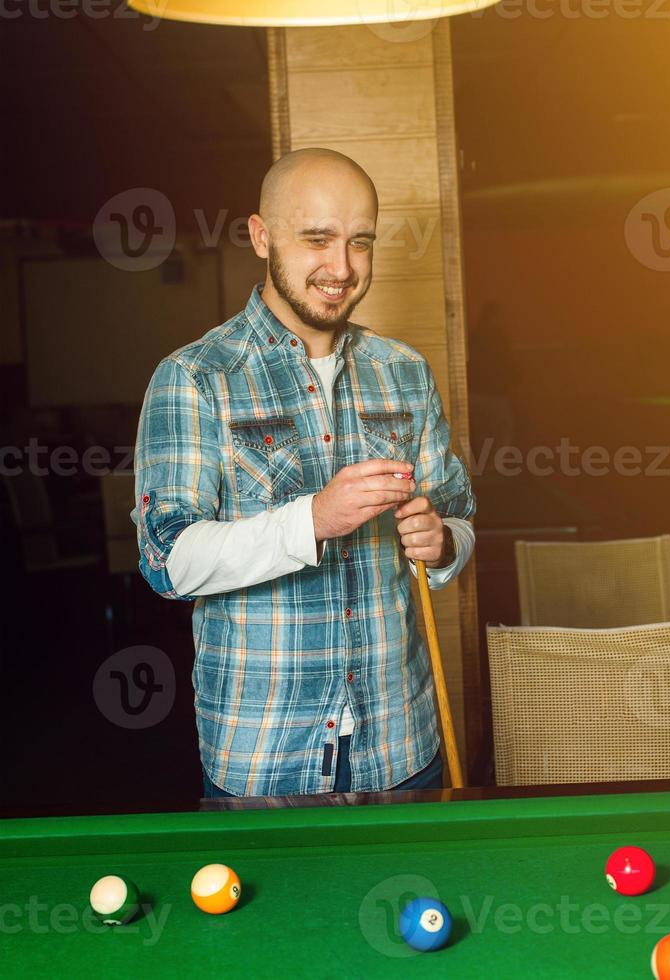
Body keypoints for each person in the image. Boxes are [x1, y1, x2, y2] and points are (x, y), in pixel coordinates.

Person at [131, 148, 476, 798]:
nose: (341, 268)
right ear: (261, 236)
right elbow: (165, 562)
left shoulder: (404, 371)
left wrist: (445, 541)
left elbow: (458, 516)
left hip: (404, 745)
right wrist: (313, 519)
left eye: (360, 243)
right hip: (263, 761)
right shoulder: (194, 377)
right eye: (317, 239)